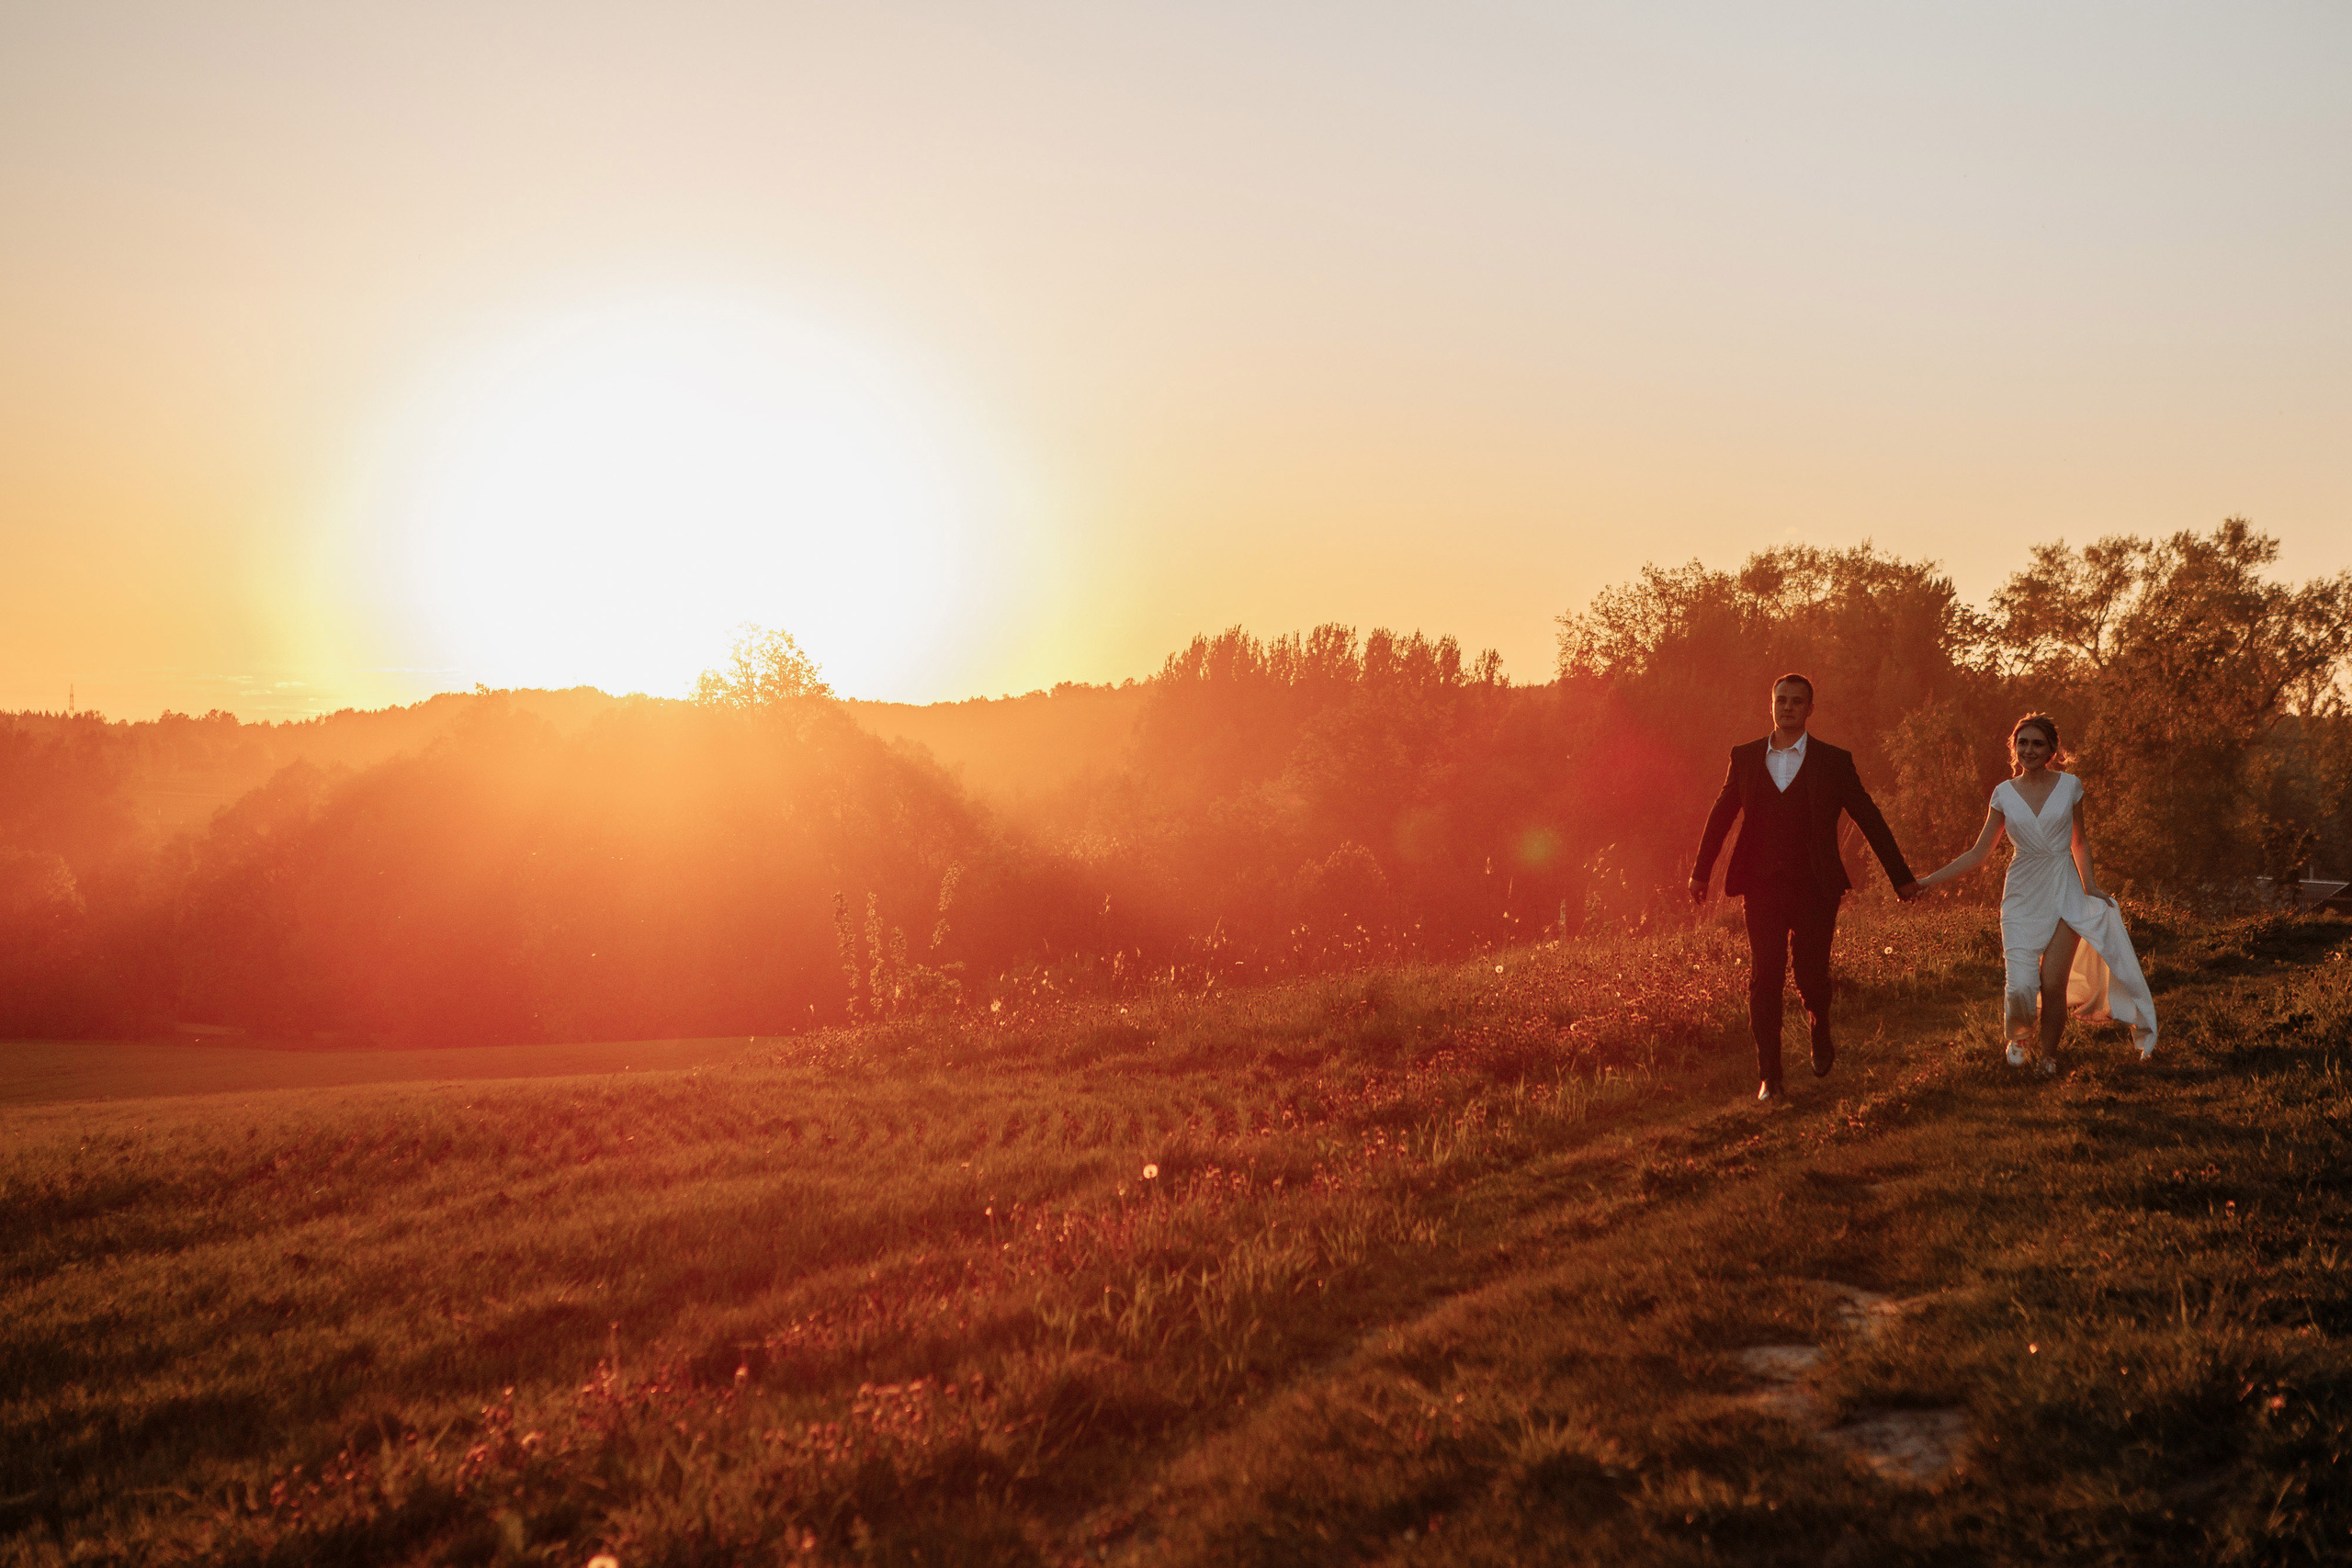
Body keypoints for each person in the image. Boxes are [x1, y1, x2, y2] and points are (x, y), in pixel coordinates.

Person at [1690, 674, 1921, 1105]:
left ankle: (1820, 1025)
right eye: (1781, 700)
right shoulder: (1745, 757)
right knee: (1765, 977)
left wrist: (1901, 877)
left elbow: (1869, 817)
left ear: (1810, 709)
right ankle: (1769, 1075)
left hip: (1816, 886)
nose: (1788, 707)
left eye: (1797, 701)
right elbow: (1721, 815)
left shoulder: (1834, 761)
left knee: (1811, 976)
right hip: (1761, 885)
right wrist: (1700, 872)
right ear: (1771, 705)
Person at [1914, 714, 2156, 1073]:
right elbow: (1979, 853)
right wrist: (1928, 882)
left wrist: (2089, 886)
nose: (2029, 750)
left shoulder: (2070, 786)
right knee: (2020, 986)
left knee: (2053, 984)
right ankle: (2019, 1035)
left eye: (2037, 744)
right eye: (2022, 742)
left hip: (2064, 890)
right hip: (2021, 895)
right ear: (2014, 747)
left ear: (2052, 750)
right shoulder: (2003, 794)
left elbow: (2079, 840)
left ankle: (2048, 1058)